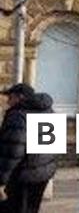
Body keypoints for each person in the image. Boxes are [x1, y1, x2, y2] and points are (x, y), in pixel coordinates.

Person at [0, 83, 57, 213]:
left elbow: (13, 152)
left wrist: (1, 180)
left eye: (10, 97)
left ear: (20, 97)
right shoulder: (50, 112)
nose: (8, 102)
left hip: (22, 176)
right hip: (44, 174)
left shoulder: (18, 116)